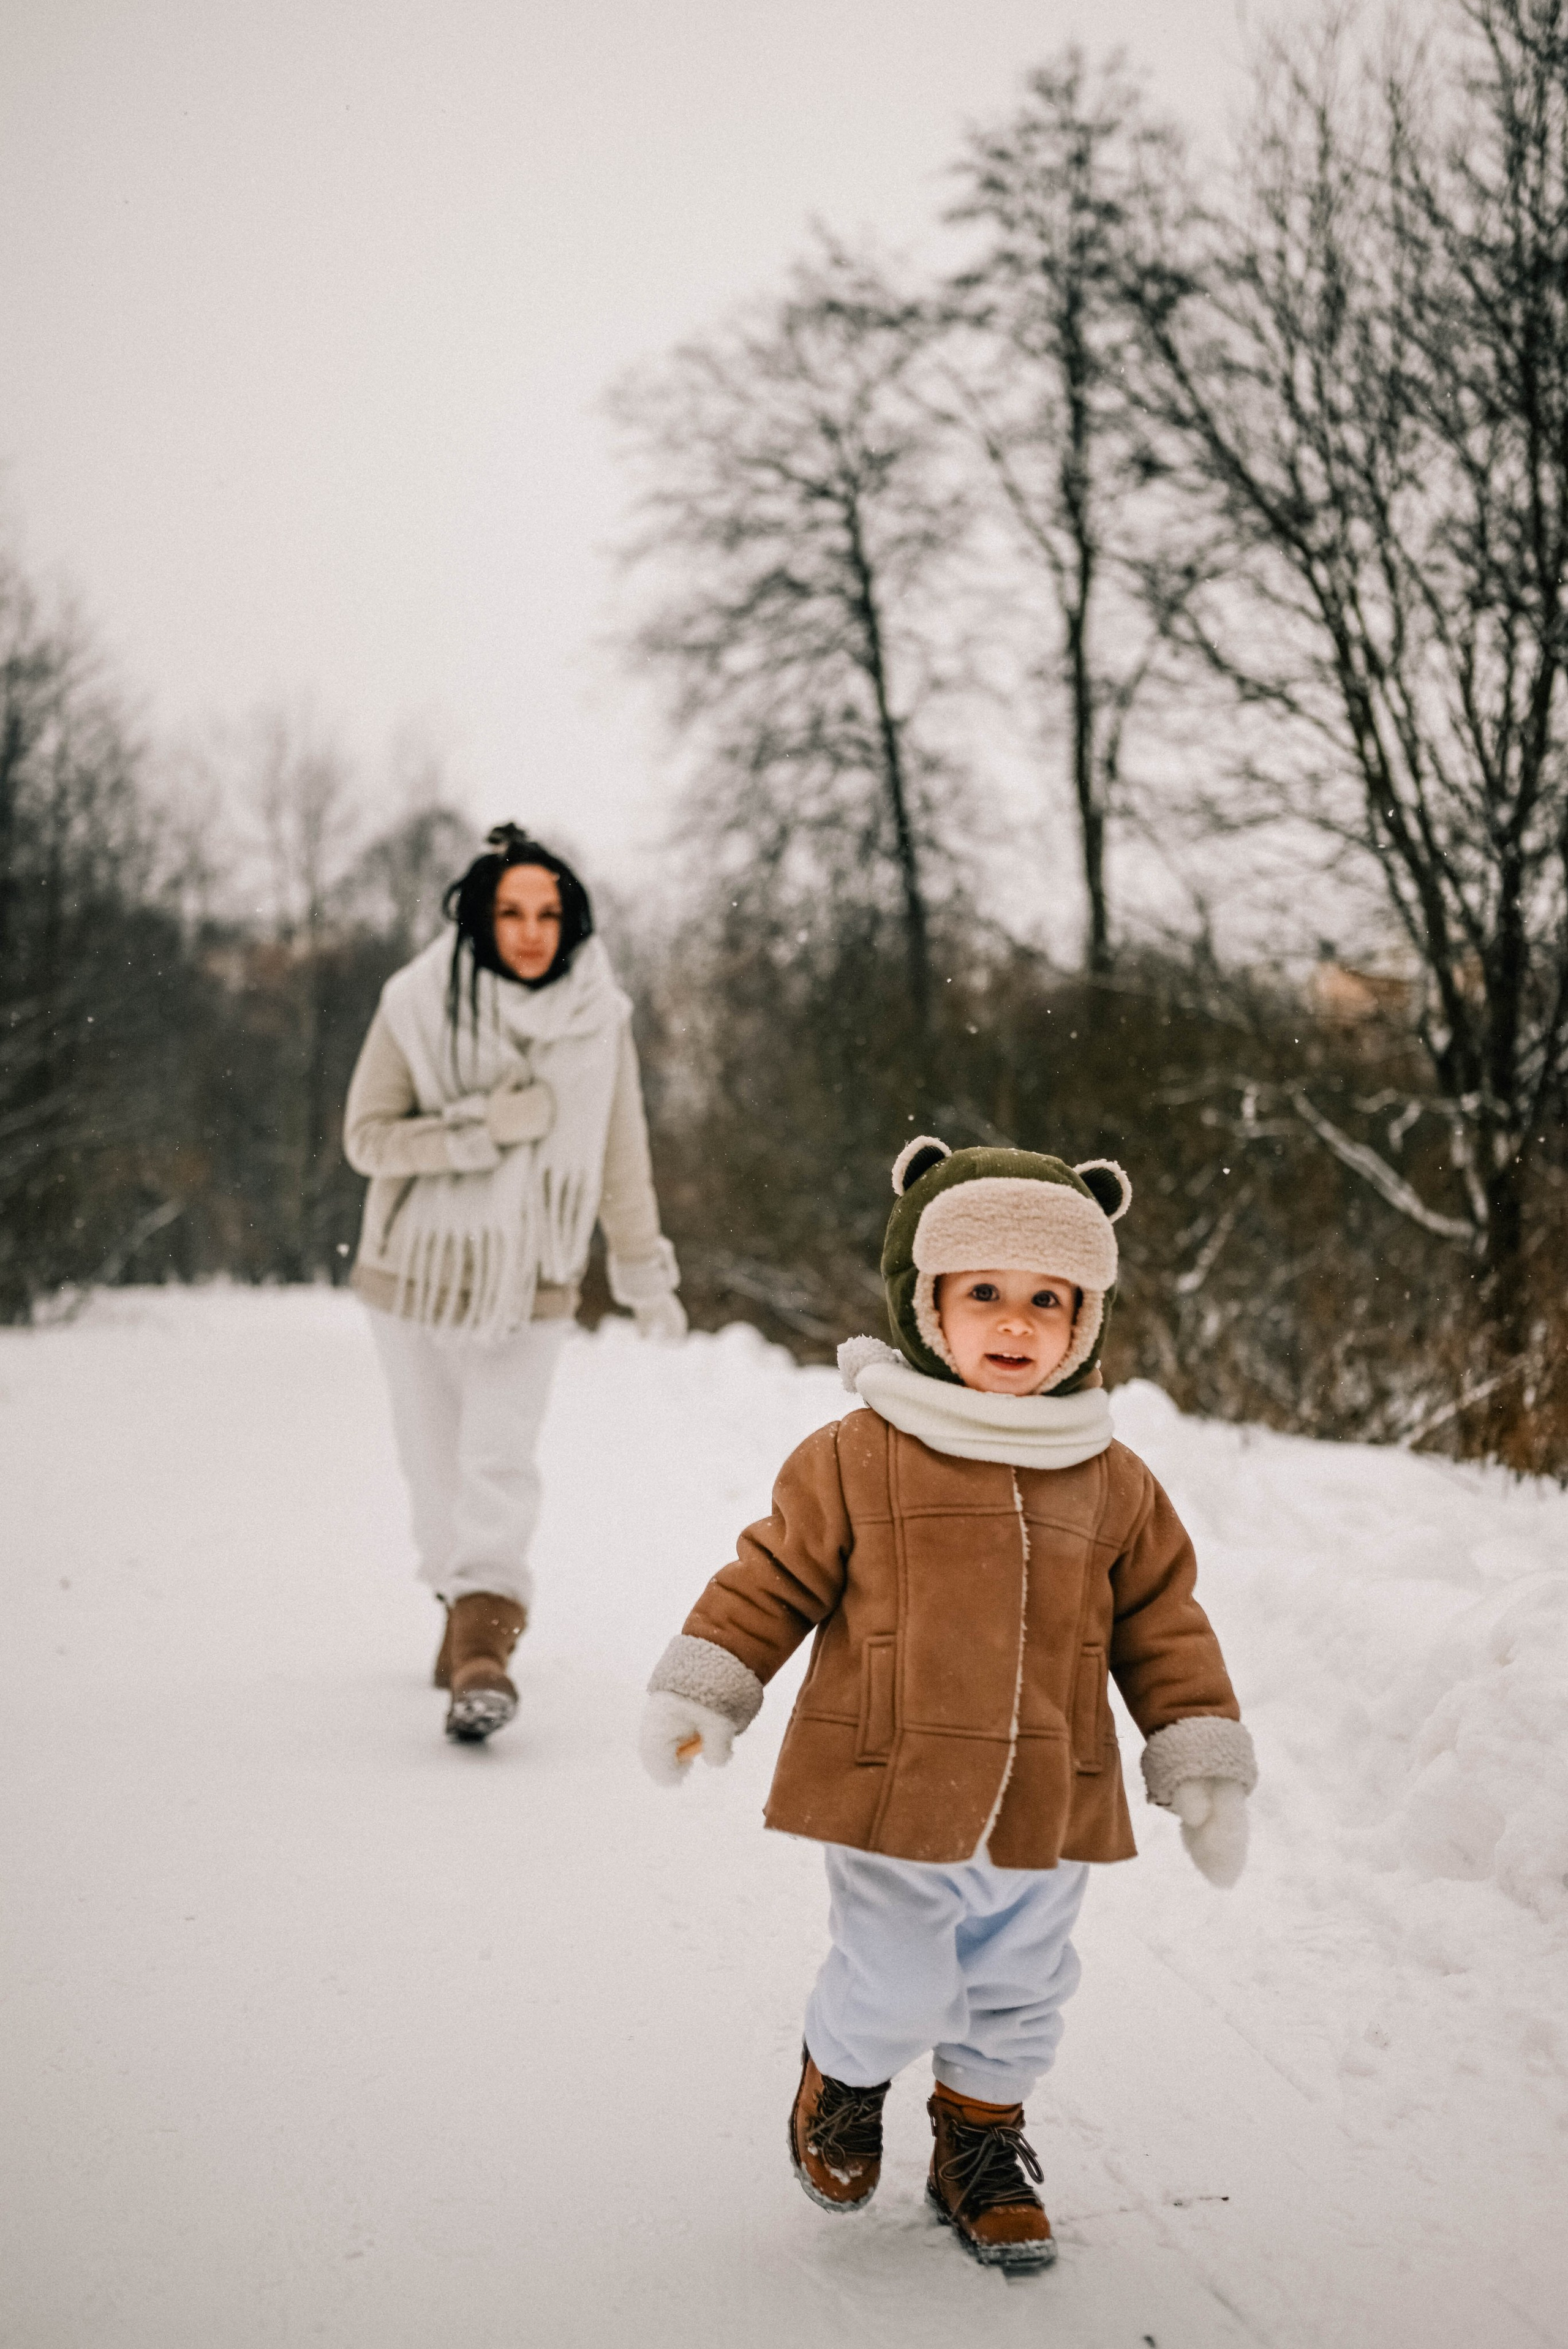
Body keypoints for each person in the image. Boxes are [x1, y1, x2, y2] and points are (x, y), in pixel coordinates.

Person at [639, 1136, 1255, 2273]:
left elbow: (1164, 1622)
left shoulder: (1110, 1475)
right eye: (985, 1295)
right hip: (894, 1784)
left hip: (1047, 1798)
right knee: (898, 1981)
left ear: (1087, 1319)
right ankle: (844, 2073)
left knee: (1021, 1992)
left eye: (1048, 1300)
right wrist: (709, 1685)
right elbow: (772, 1576)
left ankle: (978, 2143)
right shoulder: (861, 1452)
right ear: (927, 1304)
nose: (1016, 1325)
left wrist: (1198, 1756)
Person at [345, 823, 685, 1742]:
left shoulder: (599, 1017)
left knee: (498, 1468)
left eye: (550, 914)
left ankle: (485, 1650)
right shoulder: (414, 1002)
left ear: (571, 924)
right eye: (511, 912)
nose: (532, 931)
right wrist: (478, 1129)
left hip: (532, 1278)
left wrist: (644, 1271)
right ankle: (458, 1615)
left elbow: (623, 1157)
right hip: (411, 1280)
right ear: (479, 917)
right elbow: (367, 1138)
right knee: (434, 1482)